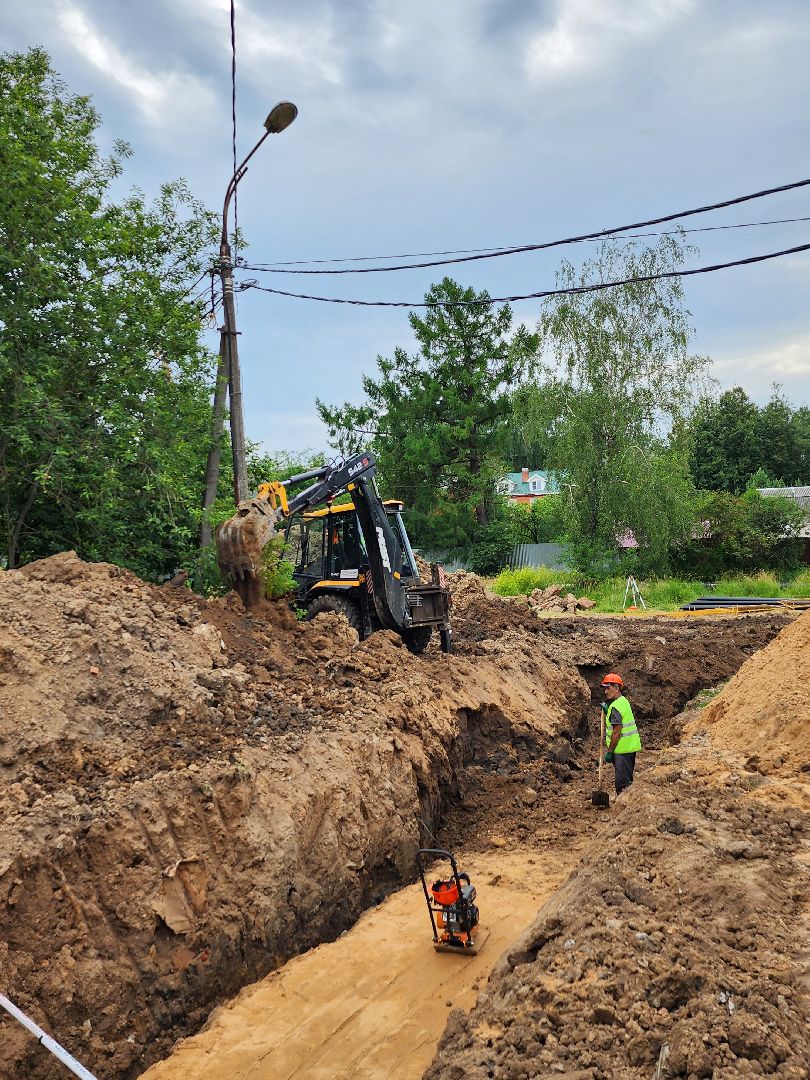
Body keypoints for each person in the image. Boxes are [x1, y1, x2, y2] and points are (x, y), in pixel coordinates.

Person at [601, 673, 641, 795]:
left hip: (622, 750)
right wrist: (609, 712)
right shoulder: (623, 701)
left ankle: (623, 803)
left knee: (622, 783)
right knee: (626, 778)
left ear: (617, 688)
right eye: (605, 688)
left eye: (608, 688)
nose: (605, 691)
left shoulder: (616, 707)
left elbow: (616, 731)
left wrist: (610, 751)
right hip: (628, 748)